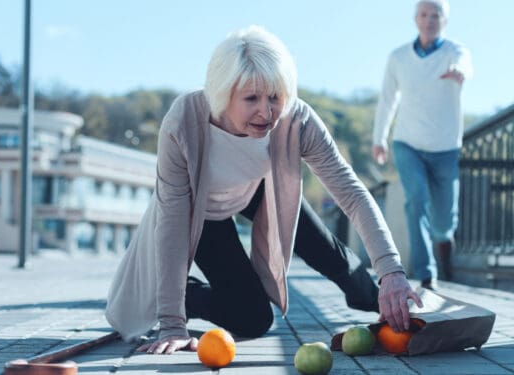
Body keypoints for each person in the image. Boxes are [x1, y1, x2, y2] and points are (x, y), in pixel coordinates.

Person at [105, 25, 422, 355]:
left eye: (274, 97)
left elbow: (352, 194)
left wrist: (391, 272)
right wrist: (172, 321)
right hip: (201, 210)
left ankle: (386, 302)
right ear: (223, 93)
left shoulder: (296, 119)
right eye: (251, 99)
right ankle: (184, 294)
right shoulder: (184, 121)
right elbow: (172, 222)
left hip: (258, 189)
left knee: (329, 252)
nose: (266, 111)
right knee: (252, 319)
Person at [372, 0, 473, 290]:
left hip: (445, 147)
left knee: (443, 222)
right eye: (424, 15)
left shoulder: (455, 52)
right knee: (415, 201)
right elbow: (388, 99)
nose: (430, 20)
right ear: (416, 19)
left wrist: (460, 72)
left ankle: (444, 243)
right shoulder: (399, 57)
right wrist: (379, 138)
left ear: (445, 20)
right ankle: (426, 275)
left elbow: (465, 65)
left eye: (436, 15)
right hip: (408, 143)